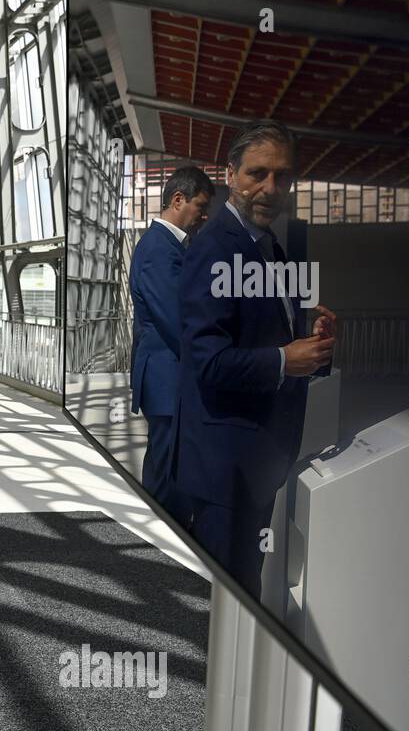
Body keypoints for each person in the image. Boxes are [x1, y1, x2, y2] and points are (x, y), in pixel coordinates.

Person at [173, 120, 335, 598]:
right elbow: (207, 362)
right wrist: (285, 359)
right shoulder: (212, 249)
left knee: (242, 594)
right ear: (229, 175)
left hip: (256, 461)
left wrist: (314, 347)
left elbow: (267, 339)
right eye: (257, 174)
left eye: (282, 176)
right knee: (226, 604)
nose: (269, 188)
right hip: (227, 469)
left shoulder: (270, 249)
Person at [129, 165, 213, 524]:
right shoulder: (160, 250)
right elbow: (175, 318)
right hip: (167, 380)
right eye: (200, 206)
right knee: (167, 478)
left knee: (169, 468)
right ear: (178, 199)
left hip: (168, 379)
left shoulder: (165, 247)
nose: (204, 216)